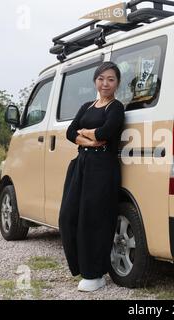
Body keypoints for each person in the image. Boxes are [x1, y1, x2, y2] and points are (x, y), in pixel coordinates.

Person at [59, 62, 125, 292]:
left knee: (93, 218)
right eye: (101, 78)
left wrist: (86, 133)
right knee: (68, 216)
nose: (105, 83)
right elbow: (69, 132)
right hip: (81, 164)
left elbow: (105, 133)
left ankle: (95, 273)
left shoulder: (116, 107)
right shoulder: (87, 105)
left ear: (117, 83)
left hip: (103, 167)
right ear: (95, 81)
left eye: (111, 79)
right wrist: (91, 138)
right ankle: (81, 266)